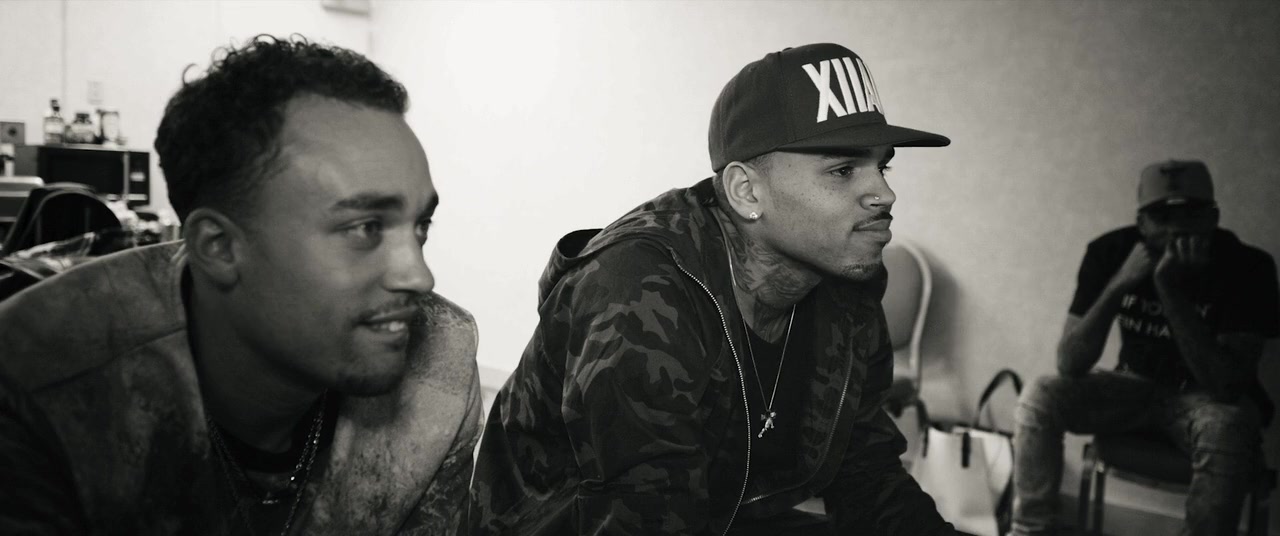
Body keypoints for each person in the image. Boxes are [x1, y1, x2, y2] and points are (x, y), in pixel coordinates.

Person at [0, 35, 482, 534]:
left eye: (421, 225)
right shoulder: (39, 385)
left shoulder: (438, 363)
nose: (418, 276)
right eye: (366, 228)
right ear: (219, 247)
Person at [469, 43, 955, 535]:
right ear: (747, 191)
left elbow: (866, 472)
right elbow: (646, 515)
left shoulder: (848, 280)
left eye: (883, 167)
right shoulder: (639, 291)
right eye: (843, 170)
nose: (885, 194)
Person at [1011, 160, 1279, 535]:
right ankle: (1030, 530)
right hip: (1131, 385)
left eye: (1191, 214)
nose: (1176, 228)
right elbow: (1070, 363)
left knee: (1228, 426)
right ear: (1141, 223)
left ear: (1213, 218)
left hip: (1204, 400)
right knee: (1040, 394)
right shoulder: (1111, 251)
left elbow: (1227, 387)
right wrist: (1120, 283)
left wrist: (1168, 288)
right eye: (1162, 217)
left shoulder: (1249, 267)